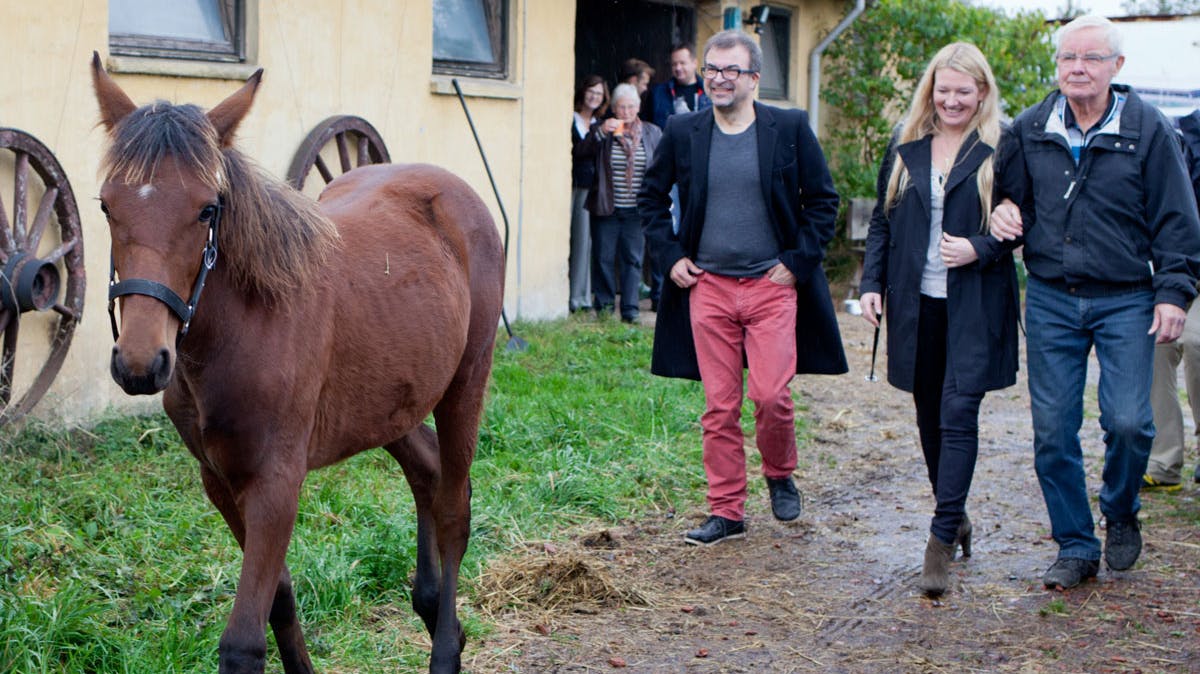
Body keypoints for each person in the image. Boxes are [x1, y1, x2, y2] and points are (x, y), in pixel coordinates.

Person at [990, 15, 1200, 590]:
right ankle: (1076, 545)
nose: (1077, 68)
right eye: (1068, 59)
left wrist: (1174, 293)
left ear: (1116, 67)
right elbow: (1008, 198)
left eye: (1091, 58)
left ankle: (1122, 508)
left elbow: (1178, 220)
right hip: (1053, 297)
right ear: (1056, 65)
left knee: (1131, 422)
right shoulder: (1030, 128)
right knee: (1053, 431)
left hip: (1128, 298)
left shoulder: (1149, 129)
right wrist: (1002, 209)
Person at [639, 29, 846, 546]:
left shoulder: (789, 128)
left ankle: (779, 471)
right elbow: (650, 199)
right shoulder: (684, 129)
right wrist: (671, 258)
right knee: (719, 406)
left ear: (755, 78)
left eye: (732, 70)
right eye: (712, 69)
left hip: (771, 287)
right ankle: (727, 510)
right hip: (708, 288)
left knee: (772, 395)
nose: (719, 78)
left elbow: (823, 201)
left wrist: (797, 263)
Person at [859, 43, 1020, 596]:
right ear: (931, 91)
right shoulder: (906, 147)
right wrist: (870, 285)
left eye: (963, 91)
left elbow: (1021, 223)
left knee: (958, 413)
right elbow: (882, 223)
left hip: (974, 305)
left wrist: (979, 247)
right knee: (928, 414)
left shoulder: (1002, 148)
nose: (952, 100)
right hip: (915, 304)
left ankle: (939, 538)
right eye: (943, 90)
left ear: (982, 93)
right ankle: (956, 514)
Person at [1145, 107, 1200, 489]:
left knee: (1197, 342)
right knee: (1157, 341)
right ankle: (1163, 462)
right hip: (1178, 267)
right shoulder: (1179, 135)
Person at [575, 83, 662, 322]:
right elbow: (581, 153)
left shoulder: (652, 133)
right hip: (606, 206)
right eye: (621, 107)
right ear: (613, 108)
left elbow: (662, 167)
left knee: (633, 260)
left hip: (637, 209)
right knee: (603, 257)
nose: (626, 112)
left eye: (631, 106)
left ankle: (630, 309)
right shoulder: (601, 130)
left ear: (638, 107)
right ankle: (603, 307)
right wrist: (601, 131)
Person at [645, 43, 715, 311]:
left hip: (700, 169)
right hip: (668, 167)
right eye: (674, 64)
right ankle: (660, 293)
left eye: (682, 63)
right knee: (667, 228)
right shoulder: (660, 93)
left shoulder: (708, 91)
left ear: (694, 62)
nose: (678, 68)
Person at [570, 76, 609, 313]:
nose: (594, 96)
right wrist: (599, 135)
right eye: (591, 91)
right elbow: (579, 151)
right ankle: (575, 297)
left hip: (594, 189)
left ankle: (583, 297)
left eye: (599, 93)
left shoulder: (599, 122)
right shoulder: (573, 119)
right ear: (583, 92)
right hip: (576, 186)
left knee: (588, 243)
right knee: (578, 242)